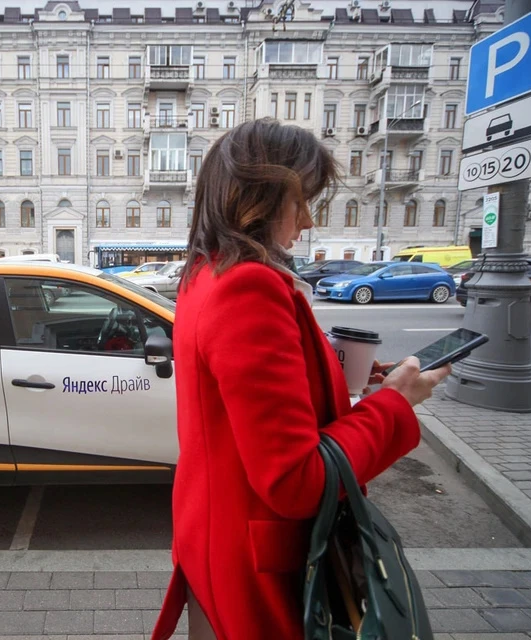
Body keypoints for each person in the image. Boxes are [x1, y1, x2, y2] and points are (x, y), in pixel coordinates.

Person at [150, 119, 451, 640]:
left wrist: (332, 374)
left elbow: (239, 396)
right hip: (259, 558)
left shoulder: (206, 274)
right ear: (261, 199)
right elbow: (295, 481)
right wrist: (396, 404)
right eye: (302, 201)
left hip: (216, 534)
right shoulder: (248, 288)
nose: (308, 220)